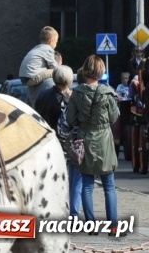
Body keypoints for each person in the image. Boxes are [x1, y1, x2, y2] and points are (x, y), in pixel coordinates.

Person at [67, 55, 119, 234]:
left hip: (85, 139)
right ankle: (113, 226)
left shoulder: (77, 93)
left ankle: (91, 225)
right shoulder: (107, 93)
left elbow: (70, 118)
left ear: (85, 70)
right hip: (104, 139)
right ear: (101, 71)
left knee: (87, 186)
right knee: (109, 186)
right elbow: (114, 117)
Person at [33, 65, 82, 218]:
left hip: (44, 140)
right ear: (69, 80)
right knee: (63, 177)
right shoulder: (66, 99)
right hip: (60, 142)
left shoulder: (43, 95)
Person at [18, 26, 60, 107]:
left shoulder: (37, 48)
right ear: (51, 41)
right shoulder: (48, 49)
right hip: (32, 77)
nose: (56, 44)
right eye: (56, 42)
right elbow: (54, 66)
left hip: (24, 78)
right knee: (57, 72)